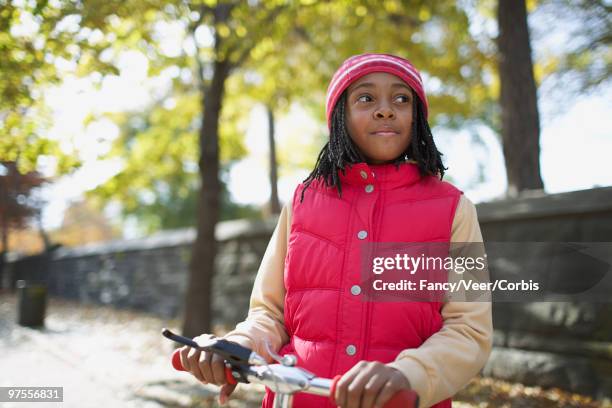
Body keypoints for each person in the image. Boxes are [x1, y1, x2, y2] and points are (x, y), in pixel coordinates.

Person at [179, 53, 493, 408]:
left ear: (416, 116)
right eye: (366, 98)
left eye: (401, 99)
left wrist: (410, 373)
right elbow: (270, 314)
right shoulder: (301, 202)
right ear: (340, 115)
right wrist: (240, 345)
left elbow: (469, 331)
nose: (386, 110)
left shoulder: (454, 208)